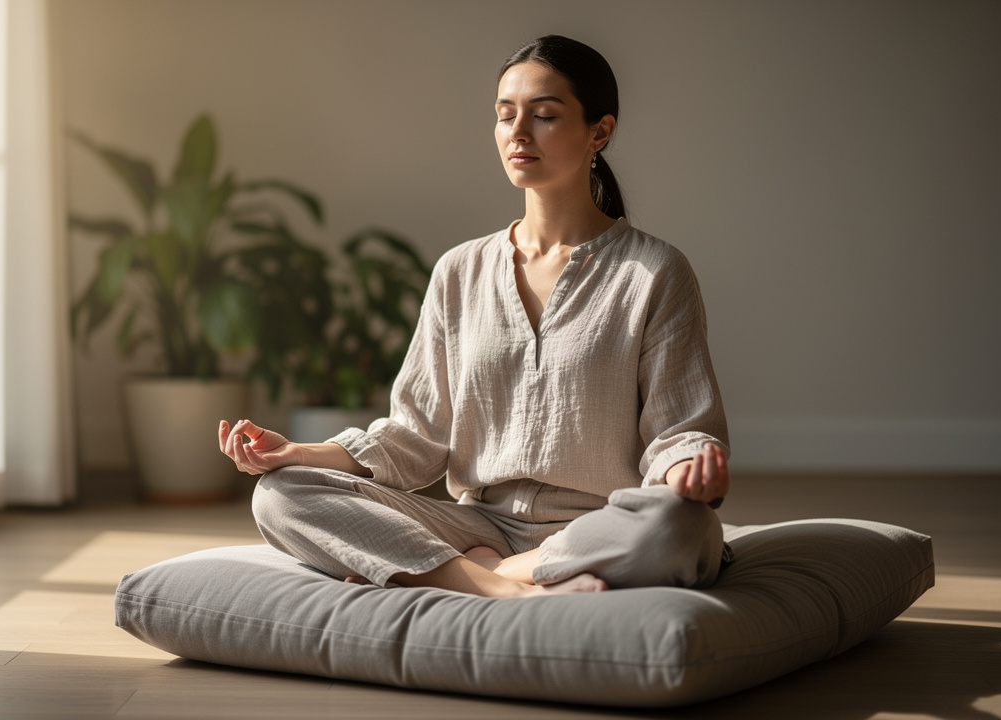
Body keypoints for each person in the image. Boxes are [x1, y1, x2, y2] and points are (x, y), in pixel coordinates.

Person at [217, 35, 731, 599]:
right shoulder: (459, 271)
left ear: (599, 133)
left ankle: (478, 573)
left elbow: (681, 432)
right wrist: (299, 454)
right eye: (505, 115)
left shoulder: (653, 272)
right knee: (281, 494)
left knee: (681, 529)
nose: (518, 133)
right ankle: (502, 587)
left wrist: (689, 468)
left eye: (544, 115)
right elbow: (416, 437)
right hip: (475, 524)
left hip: (599, 524)